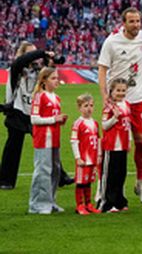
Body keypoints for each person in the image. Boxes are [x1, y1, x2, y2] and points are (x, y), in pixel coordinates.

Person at [97, 7, 142, 205]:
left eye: (138, 21)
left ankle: (140, 184)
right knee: (113, 146)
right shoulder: (112, 42)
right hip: (116, 101)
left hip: (137, 101)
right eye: (132, 21)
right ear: (123, 23)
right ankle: (104, 188)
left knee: (141, 141)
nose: (136, 25)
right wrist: (104, 97)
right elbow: (102, 69)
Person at [1, 43, 63, 190]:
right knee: (13, 147)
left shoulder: (37, 71)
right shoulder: (16, 68)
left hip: (32, 112)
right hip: (17, 110)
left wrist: (50, 61)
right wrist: (42, 52)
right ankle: (5, 180)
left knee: (47, 143)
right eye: (31, 53)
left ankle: (60, 176)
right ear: (23, 54)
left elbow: (48, 80)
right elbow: (22, 61)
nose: (35, 57)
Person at [28, 67, 67, 214]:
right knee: (43, 170)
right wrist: (53, 119)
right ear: (44, 80)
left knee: (55, 171)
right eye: (53, 78)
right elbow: (34, 119)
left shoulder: (56, 98)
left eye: (57, 78)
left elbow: (52, 118)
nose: (57, 80)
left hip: (54, 139)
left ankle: (50, 201)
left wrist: (59, 121)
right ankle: (37, 204)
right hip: (43, 139)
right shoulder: (39, 96)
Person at [99, 78, 132, 213]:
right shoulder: (109, 107)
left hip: (122, 144)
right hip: (111, 145)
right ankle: (106, 203)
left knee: (121, 173)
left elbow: (128, 125)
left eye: (123, 90)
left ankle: (119, 201)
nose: (120, 93)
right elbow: (104, 125)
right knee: (109, 175)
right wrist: (114, 118)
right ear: (111, 91)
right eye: (118, 90)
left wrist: (129, 141)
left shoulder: (127, 105)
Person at [70, 93, 101, 215]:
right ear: (79, 108)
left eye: (91, 105)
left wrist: (98, 155)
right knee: (80, 182)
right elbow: (74, 141)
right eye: (86, 105)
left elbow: (98, 140)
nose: (89, 108)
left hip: (92, 159)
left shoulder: (95, 123)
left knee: (88, 182)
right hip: (83, 159)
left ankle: (88, 204)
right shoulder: (78, 124)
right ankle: (80, 205)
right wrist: (78, 157)